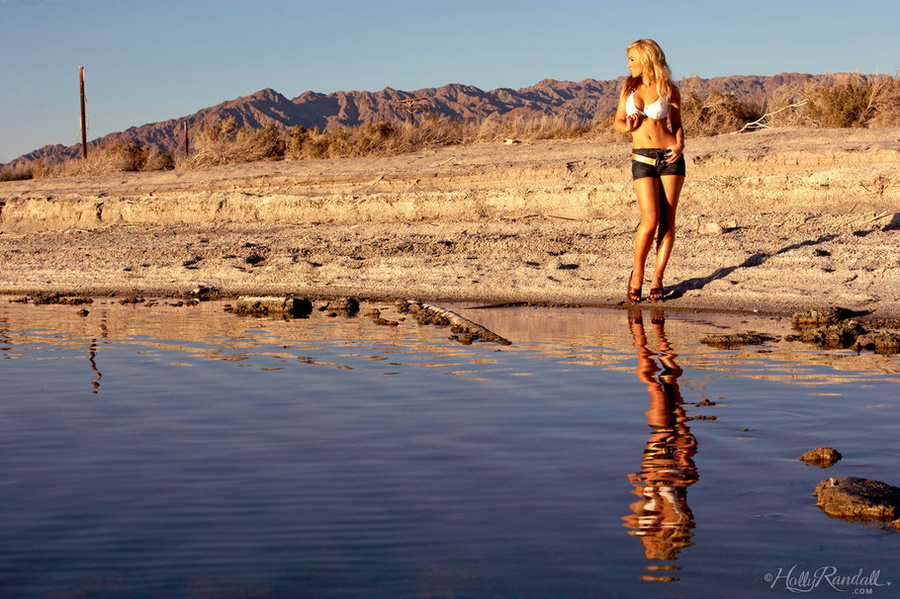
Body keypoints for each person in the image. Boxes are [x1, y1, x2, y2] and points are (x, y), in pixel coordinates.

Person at [614, 39, 685, 303]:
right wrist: (628, 127)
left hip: (670, 158)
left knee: (668, 220)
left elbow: (677, 125)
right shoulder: (628, 89)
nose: (628, 64)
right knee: (650, 220)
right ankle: (637, 274)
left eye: (632, 59)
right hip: (642, 158)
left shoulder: (669, 90)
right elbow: (618, 122)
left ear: (646, 59)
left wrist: (679, 144)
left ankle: (657, 277)